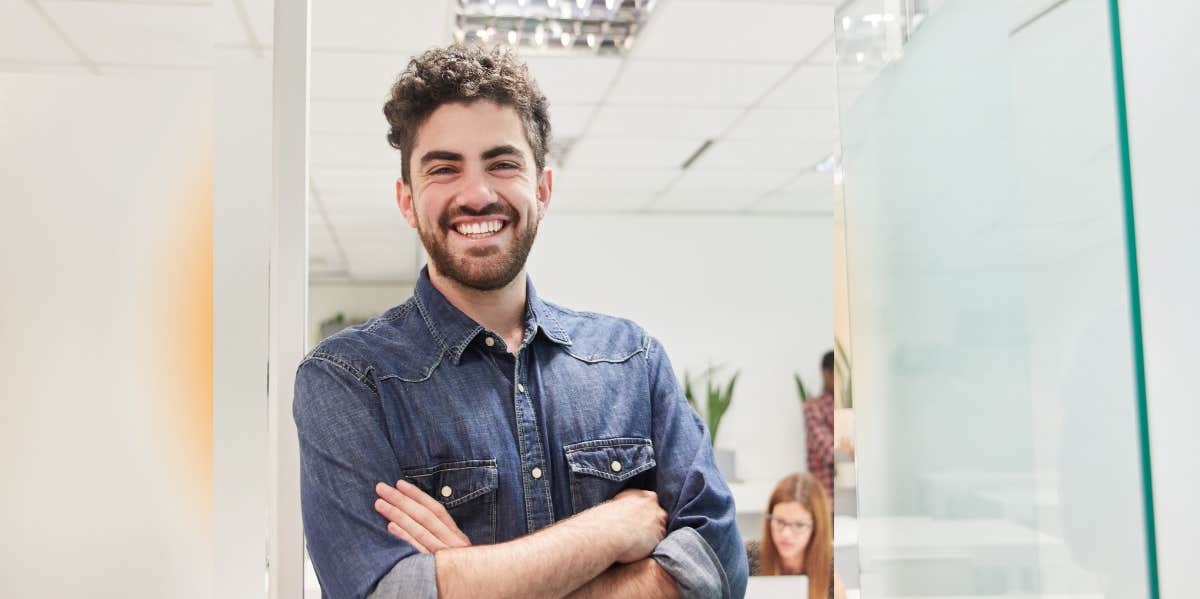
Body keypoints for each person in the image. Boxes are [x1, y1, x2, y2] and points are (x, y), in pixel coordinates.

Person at [292, 44, 747, 599]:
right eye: (444, 168)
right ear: (407, 201)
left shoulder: (630, 359)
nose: (477, 194)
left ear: (543, 189)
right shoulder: (349, 379)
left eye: (502, 163)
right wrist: (606, 531)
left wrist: (472, 578)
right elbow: (381, 593)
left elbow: (719, 561)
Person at [745, 473, 845, 599]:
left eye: (799, 525)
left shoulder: (831, 574)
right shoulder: (747, 558)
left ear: (817, 527)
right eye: (779, 522)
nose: (786, 534)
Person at [804, 351, 836, 503]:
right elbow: (829, 451)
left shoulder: (846, 408)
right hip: (825, 500)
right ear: (826, 373)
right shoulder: (814, 407)